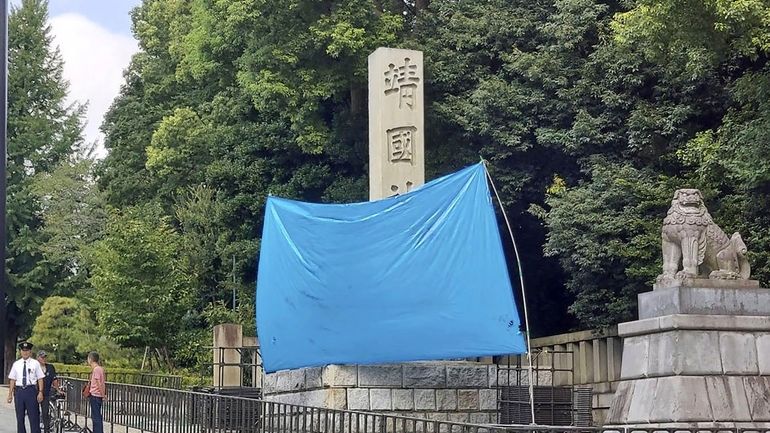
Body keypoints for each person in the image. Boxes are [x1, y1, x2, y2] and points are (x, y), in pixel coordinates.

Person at [6, 341, 45, 433]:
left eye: (27, 351)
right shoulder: (16, 364)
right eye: (23, 351)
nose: (25, 352)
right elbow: (12, 379)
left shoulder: (35, 363)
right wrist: (10, 394)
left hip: (31, 391)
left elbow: (40, 378)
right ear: (20, 352)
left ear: (30, 352)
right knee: (20, 417)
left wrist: (40, 392)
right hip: (19, 392)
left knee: (34, 417)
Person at [36, 351, 58, 433]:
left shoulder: (50, 367)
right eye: (42, 357)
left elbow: (54, 379)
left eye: (45, 357)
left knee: (45, 413)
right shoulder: (35, 367)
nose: (43, 359)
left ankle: (46, 430)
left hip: (46, 392)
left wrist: (57, 389)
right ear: (38, 358)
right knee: (35, 412)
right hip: (35, 392)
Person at [87, 352, 106, 433]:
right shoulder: (100, 369)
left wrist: (102, 394)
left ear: (90, 359)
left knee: (96, 416)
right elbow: (103, 383)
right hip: (97, 395)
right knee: (96, 415)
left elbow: (99, 383)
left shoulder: (96, 369)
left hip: (95, 395)